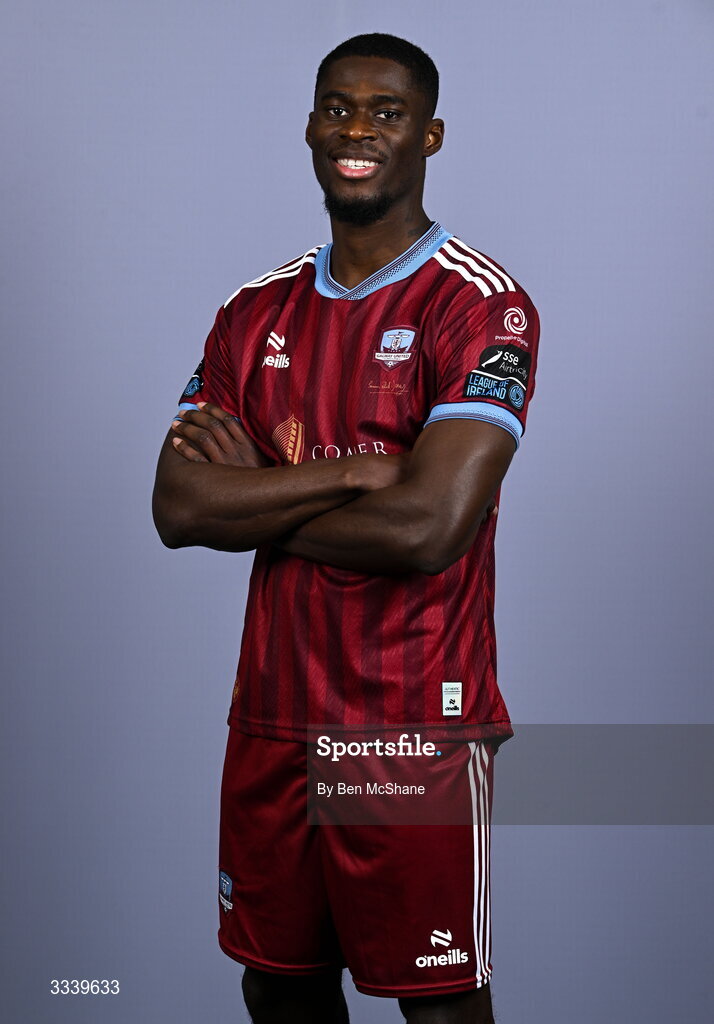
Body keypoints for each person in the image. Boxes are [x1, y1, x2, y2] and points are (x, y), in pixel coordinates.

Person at [153, 32, 539, 1024]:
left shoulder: (481, 307)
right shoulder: (251, 311)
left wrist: (262, 504)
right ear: (312, 127)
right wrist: (369, 472)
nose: (357, 129)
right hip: (273, 717)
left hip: (411, 729)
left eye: (386, 111)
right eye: (338, 108)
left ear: (431, 135)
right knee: (275, 984)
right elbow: (179, 508)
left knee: (440, 1001)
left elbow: (429, 529)